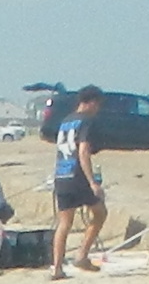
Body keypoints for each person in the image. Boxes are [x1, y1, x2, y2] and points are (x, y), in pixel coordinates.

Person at [47, 88, 109, 272]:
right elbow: (83, 152)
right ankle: (81, 255)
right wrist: (92, 182)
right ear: (91, 102)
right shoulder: (86, 121)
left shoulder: (66, 121)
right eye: (98, 105)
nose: (98, 109)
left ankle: (57, 267)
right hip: (78, 177)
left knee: (64, 222)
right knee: (100, 213)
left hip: (62, 174)